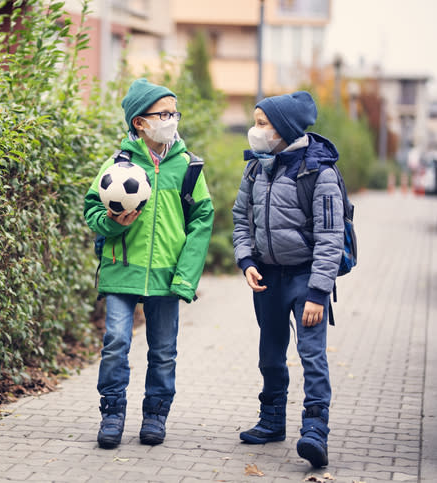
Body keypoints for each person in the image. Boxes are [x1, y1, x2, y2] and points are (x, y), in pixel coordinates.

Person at [83, 78, 214, 449]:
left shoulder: (188, 167)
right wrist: (111, 223)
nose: (172, 119)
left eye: (175, 112)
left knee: (163, 350)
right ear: (140, 122)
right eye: (164, 113)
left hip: (167, 277)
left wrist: (186, 277)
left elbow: (202, 220)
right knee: (115, 342)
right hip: (121, 270)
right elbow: (92, 208)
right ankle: (112, 413)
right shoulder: (117, 165)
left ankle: (156, 414)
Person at [231, 91, 342, 468]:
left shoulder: (318, 172)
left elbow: (331, 237)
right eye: (256, 121)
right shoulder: (256, 167)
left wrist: (317, 292)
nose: (255, 130)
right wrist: (245, 259)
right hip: (267, 276)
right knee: (270, 352)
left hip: (306, 278)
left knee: (311, 354)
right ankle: (272, 420)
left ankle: (315, 430)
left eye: (263, 123)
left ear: (285, 128)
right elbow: (240, 218)